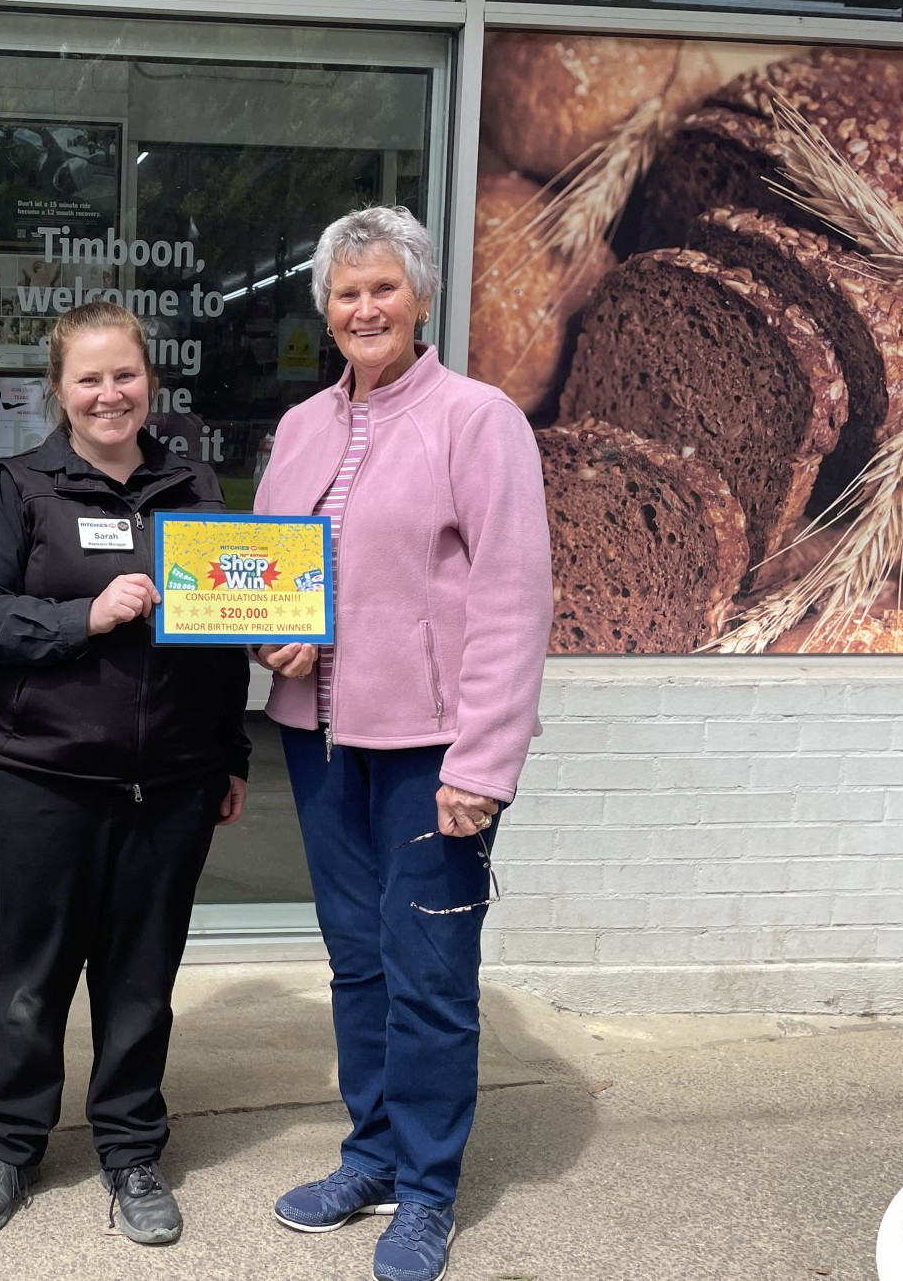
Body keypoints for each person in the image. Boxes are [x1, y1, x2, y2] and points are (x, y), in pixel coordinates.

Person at [252, 206, 551, 1281]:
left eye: (381, 288)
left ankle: (426, 1187)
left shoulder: (477, 421)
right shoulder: (296, 429)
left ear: (418, 299)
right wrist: (270, 640)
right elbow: (266, 576)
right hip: (319, 741)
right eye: (343, 291)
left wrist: (482, 764)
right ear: (322, 308)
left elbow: (516, 601)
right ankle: (370, 1152)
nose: (362, 307)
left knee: (428, 971)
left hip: (432, 751)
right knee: (355, 965)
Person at [0, 301, 250, 1247]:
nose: (109, 393)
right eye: (90, 377)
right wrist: (86, 619)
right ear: (58, 391)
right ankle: (7, 1145)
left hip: (172, 787)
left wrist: (230, 752)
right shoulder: (15, 489)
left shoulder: (193, 488)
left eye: (125, 374)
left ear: (149, 381)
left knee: (141, 982)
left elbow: (222, 638)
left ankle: (131, 1148)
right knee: (30, 978)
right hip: (39, 779)